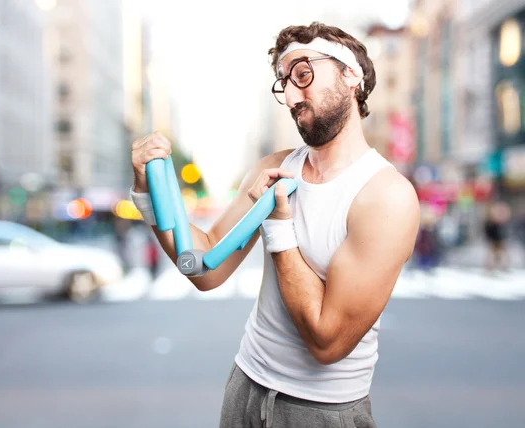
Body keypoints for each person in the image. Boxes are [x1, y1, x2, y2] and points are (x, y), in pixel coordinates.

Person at [130, 22, 420, 428]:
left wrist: (280, 226)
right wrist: (149, 191)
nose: (290, 95)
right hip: (245, 387)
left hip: (321, 411)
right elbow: (203, 267)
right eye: (283, 82)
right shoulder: (274, 166)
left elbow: (327, 341)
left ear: (351, 75)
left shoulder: (386, 195)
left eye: (302, 74)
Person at [483, 200, 511, 272]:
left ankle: (502, 266)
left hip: (499, 239)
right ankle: (490, 267)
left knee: (501, 253)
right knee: (493, 253)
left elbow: (503, 230)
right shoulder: (490, 222)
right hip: (494, 239)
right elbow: (488, 231)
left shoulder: (498, 221)